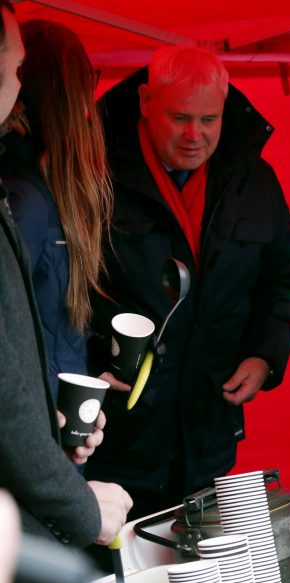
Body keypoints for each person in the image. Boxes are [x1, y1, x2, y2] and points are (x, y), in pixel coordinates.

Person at [86, 45, 290, 518]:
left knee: (192, 578)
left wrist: (265, 355)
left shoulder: (253, 179)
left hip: (209, 428)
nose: (195, 135)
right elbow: (59, 293)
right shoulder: (93, 173)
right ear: (146, 102)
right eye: (180, 117)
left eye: (209, 120)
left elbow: (286, 277)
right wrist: (89, 360)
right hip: (115, 434)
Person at [0, 4, 133, 583]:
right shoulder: (21, 200)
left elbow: (39, 325)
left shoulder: (42, 187)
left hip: (48, 443)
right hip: (30, 475)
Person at [0, 20, 112, 465]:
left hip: (54, 433)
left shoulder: (50, 184)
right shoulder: (22, 197)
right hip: (34, 446)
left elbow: (52, 321)